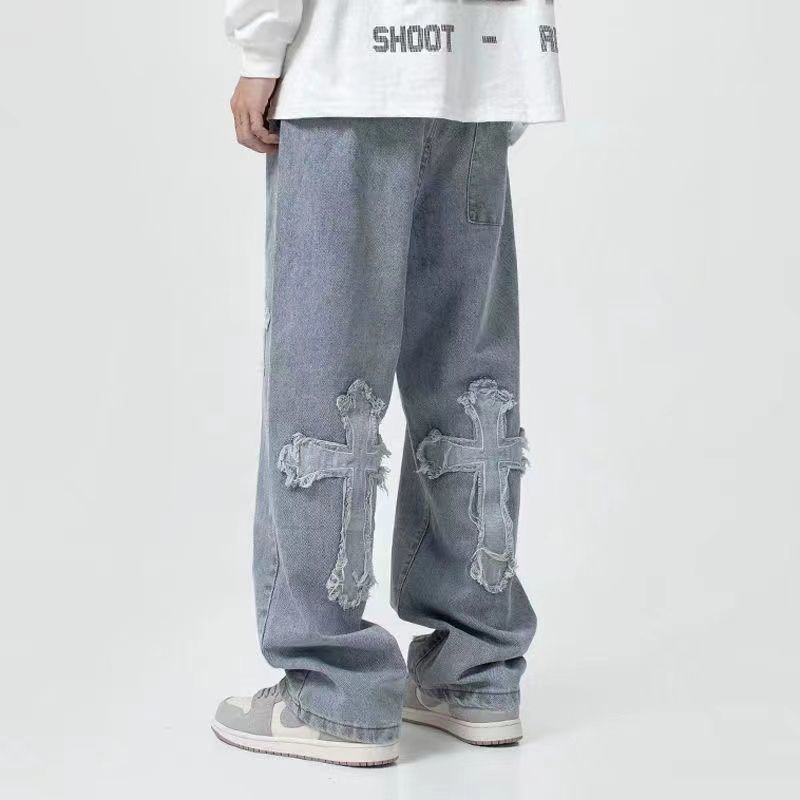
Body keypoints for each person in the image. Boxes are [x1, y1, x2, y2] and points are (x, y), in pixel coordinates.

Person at [213, 0, 564, 767]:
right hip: (473, 72)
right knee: (470, 376)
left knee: (326, 367)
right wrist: (508, 65)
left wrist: (260, 47)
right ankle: (476, 672)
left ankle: (333, 691)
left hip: (348, 72)